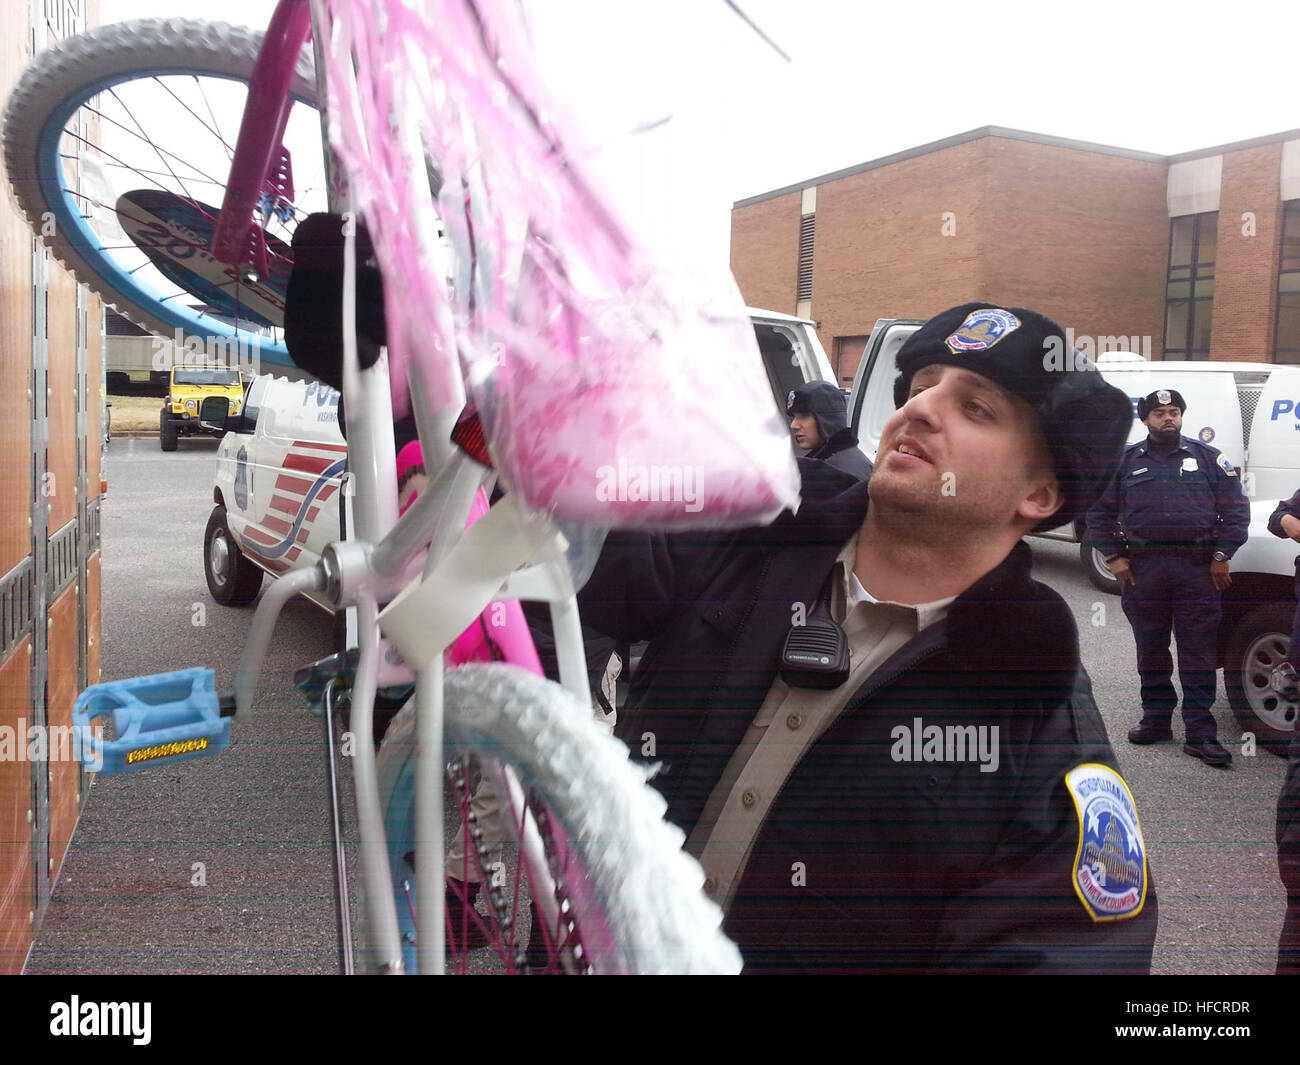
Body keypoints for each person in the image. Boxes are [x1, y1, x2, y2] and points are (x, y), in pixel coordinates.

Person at [578, 302, 1156, 973]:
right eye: (922, 387)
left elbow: (1060, 955)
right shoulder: (744, 543)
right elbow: (566, 540)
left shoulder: (1039, 724)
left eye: (976, 408)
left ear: (1041, 493)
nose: (921, 409)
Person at [1086, 389, 1250, 768]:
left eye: (1174, 411)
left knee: (1198, 651)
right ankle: (1157, 719)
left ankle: (1200, 734)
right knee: (1152, 648)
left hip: (1198, 569)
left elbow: (1236, 510)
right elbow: (1098, 511)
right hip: (1144, 571)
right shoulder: (1124, 462)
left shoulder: (1207, 458)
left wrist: (1223, 555)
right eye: (1159, 413)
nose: (1168, 418)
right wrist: (1113, 557)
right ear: (1145, 420)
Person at [786, 379, 872, 481]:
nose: (793, 425)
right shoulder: (835, 463)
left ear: (827, 420)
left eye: (804, 416)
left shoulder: (836, 474)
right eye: (794, 417)